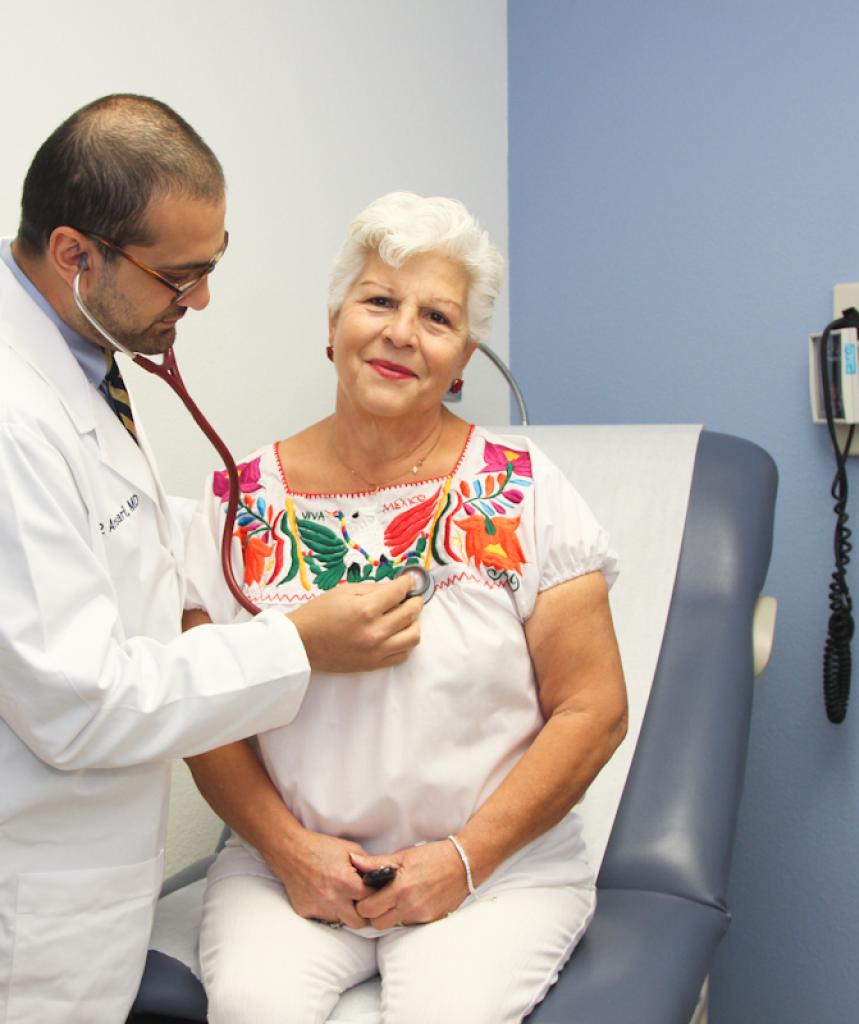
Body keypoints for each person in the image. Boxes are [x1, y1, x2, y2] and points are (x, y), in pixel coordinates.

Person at [0, 97, 424, 1024]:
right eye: (180, 275)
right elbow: (82, 705)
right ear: (77, 254)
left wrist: (278, 525)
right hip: (7, 916)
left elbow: (103, 527)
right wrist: (298, 643)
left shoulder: (71, 350)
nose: (201, 300)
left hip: (75, 880)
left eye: (213, 263)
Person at [183, 192, 629, 1023]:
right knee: (251, 1007)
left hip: (498, 870)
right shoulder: (239, 500)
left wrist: (463, 861)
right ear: (333, 325)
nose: (400, 332)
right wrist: (290, 852)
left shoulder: (523, 489)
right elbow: (205, 711)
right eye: (379, 300)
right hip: (294, 863)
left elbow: (594, 708)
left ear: (462, 360)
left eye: (437, 317)